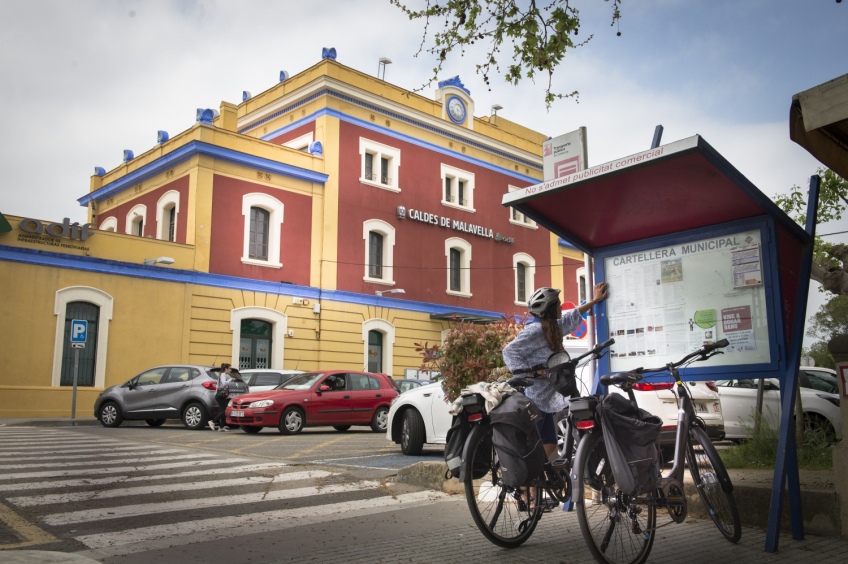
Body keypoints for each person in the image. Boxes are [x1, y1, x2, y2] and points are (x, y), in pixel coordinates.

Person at [502, 283, 609, 461]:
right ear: (550, 309)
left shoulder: (552, 327)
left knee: (550, 442)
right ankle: (526, 483)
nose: (561, 307)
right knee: (541, 442)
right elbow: (509, 352)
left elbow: (571, 317)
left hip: (548, 393)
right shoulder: (535, 330)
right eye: (558, 305)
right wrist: (530, 373)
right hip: (536, 396)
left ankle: (534, 480)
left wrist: (595, 300)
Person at [209, 363, 232, 431]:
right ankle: (212, 421)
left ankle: (221, 427)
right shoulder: (223, 375)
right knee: (225, 411)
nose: (230, 370)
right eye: (230, 368)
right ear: (226, 369)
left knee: (223, 411)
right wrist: (230, 379)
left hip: (221, 395)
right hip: (220, 396)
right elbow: (224, 383)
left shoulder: (223, 374)